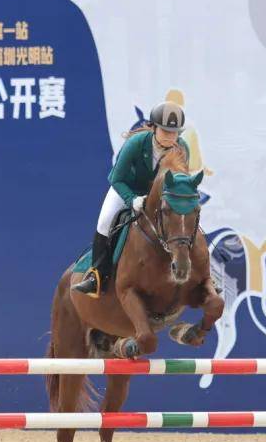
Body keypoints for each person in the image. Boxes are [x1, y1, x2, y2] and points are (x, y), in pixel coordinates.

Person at [73, 101, 191, 297]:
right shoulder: (136, 144)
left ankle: (203, 275)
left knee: (185, 221)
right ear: (153, 127)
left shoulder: (182, 148)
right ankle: (97, 276)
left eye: (174, 132)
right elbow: (116, 178)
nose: (171, 137)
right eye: (165, 131)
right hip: (127, 188)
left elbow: (180, 182)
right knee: (104, 223)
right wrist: (132, 199)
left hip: (159, 196)